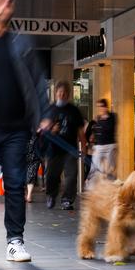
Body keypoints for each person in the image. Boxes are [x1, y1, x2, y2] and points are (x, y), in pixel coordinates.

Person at [0, 0, 50, 262]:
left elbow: (38, 82)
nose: (7, 3)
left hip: (16, 128)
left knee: (15, 182)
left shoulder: (21, 43)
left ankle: (15, 240)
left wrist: (44, 114)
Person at [45, 81, 87, 211]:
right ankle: (51, 195)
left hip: (70, 149)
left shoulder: (74, 111)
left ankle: (67, 200)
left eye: (64, 93)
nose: (61, 95)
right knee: (52, 175)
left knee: (71, 175)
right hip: (54, 149)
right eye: (59, 93)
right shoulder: (50, 110)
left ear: (68, 95)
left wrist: (84, 146)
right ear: (56, 94)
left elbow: (80, 131)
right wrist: (52, 130)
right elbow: (43, 129)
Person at [88, 98, 117, 180]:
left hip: (110, 145)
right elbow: (93, 130)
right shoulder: (97, 118)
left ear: (106, 107)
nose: (100, 109)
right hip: (99, 145)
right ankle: (91, 184)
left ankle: (111, 183)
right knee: (95, 164)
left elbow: (110, 128)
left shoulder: (112, 116)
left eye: (101, 106)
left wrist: (104, 119)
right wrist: (93, 135)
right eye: (98, 107)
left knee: (111, 167)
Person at [25, 133, 42, 203]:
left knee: (32, 175)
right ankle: (24, 194)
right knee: (22, 175)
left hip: (35, 155)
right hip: (22, 154)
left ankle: (29, 195)